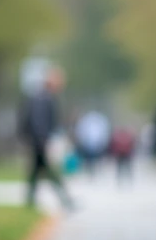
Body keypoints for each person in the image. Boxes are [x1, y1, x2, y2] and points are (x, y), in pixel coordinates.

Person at [19, 66, 75, 210]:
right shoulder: (44, 98)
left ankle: (30, 200)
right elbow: (39, 121)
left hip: (38, 141)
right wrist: (43, 140)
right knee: (47, 171)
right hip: (40, 141)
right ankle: (65, 200)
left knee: (37, 172)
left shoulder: (41, 96)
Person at [74, 108, 111, 177]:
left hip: (94, 143)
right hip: (91, 144)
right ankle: (92, 171)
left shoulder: (95, 121)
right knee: (92, 159)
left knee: (93, 159)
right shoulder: (92, 121)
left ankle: (93, 170)